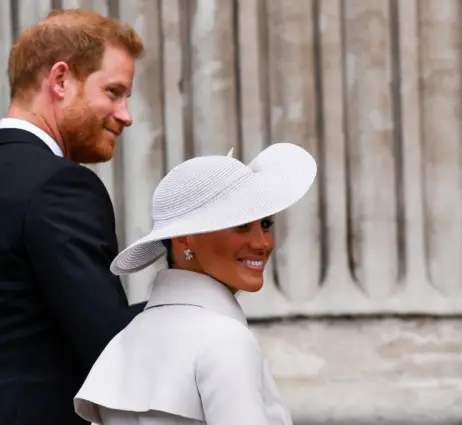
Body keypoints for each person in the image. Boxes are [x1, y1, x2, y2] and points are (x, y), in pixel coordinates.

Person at [0, 8, 146, 425]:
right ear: (60, 80)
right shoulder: (61, 186)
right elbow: (110, 345)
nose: (125, 114)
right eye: (113, 92)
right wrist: (193, 288)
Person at [74, 143, 317, 425]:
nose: (262, 243)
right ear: (184, 237)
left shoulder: (126, 339)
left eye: (266, 224)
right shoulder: (224, 339)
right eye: (240, 225)